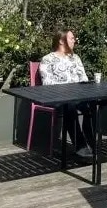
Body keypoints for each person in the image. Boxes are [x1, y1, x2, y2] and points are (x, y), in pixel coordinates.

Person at [39, 29, 95, 159]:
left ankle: (92, 142)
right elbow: (47, 84)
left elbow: (84, 79)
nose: (74, 41)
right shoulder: (47, 59)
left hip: (77, 96)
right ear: (61, 40)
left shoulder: (75, 58)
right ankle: (80, 146)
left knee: (93, 103)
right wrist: (67, 90)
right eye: (71, 38)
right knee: (69, 106)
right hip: (58, 98)